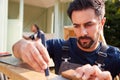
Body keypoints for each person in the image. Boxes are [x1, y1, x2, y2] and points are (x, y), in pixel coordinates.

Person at [12, 0, 120, 79]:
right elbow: (16, 48)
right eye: (76, 26)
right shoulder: (58, 46)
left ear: (102, 23)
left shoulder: (115, 56)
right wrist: (22, 46)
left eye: (88, 25)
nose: (82, 33)